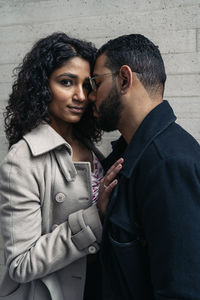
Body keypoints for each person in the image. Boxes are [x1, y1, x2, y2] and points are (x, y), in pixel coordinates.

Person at [0, 32, 122, 300]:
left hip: (99, 285)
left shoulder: (88, 145)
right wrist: (94, 216)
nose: (80, 95)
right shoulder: (23, 159)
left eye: (87, 85)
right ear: (42, 87)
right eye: (67, 82)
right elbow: (20, 264)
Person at [88, 34, 200, 299]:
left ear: (124, 79)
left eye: (96, 82)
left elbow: (181, 292)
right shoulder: (131, 153)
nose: (91, 95)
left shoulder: (168, 163)